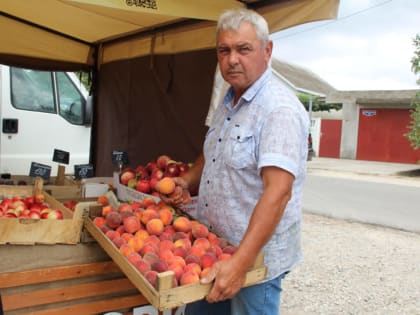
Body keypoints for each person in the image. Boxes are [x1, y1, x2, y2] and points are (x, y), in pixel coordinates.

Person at [165, 8, 309, 315]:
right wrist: (188, 179)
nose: (232, 59)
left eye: (244, 49)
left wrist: (240, 264)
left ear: (267, 51)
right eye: (224, 50)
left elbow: (279, 192)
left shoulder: (278, 109)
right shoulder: (229, 99)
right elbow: (215, 148)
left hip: (254, 260)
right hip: (213, 247)